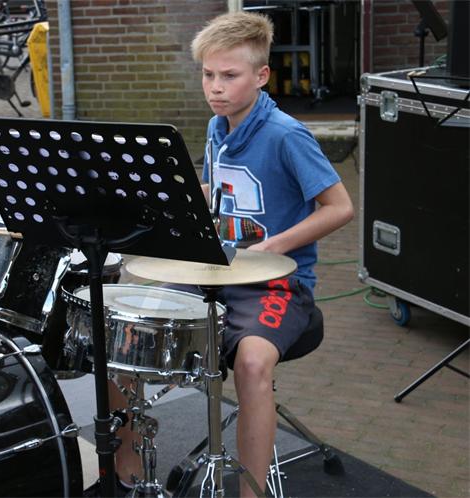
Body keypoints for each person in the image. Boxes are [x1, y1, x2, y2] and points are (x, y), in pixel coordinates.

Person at [98, 10, 355, 497]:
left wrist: (274, 246)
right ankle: (127, 472)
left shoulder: (285, 135)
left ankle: (251, 492)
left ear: (261, 76)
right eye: (208, 75)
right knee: (123, 333)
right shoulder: (219, 126)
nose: (215, 87)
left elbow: (340, 206)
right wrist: (161, 195)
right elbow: (218, 192)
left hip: (277, 283)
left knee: (253, 364)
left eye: (230, 76)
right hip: (214, 272)